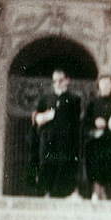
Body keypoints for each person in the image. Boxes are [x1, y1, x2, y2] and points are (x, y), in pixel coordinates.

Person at [32, 68, 82, 198]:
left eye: (60, 80)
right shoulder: (45, 98)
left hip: (65, 139)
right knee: (45, 164)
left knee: (63, 165)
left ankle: (60, 194)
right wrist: (44, 116)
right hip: (47, 137)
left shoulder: (74, 99)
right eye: (55, 81)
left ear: (67, 80)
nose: (57, 84)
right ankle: (45, 193)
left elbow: (75, 122)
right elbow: (36, 117)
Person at [83, 73, 111, 201]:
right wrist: (95, 123)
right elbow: (85, 123)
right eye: (102, 83)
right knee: (96, 170)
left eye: (108, 83)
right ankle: (96, 194)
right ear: (98, 85)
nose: (105, 85)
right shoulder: (93, 103)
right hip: (97, 143)